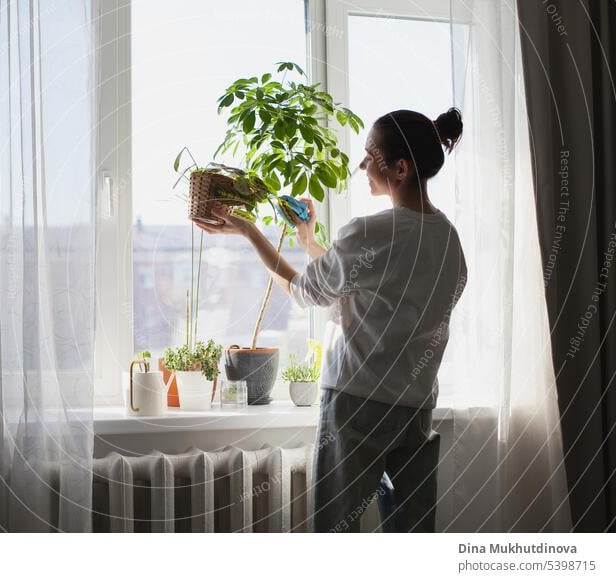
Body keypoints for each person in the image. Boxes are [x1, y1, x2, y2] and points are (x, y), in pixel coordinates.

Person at [194, 108, 468, 532]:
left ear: (400, 167)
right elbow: (364, 287)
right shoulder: (450, 240)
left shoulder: (369, 232)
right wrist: (308, 241)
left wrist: (250, 233)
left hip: (356, 405)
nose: (361, 166)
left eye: (369, 156)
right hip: (415, 407)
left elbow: (304, 291)